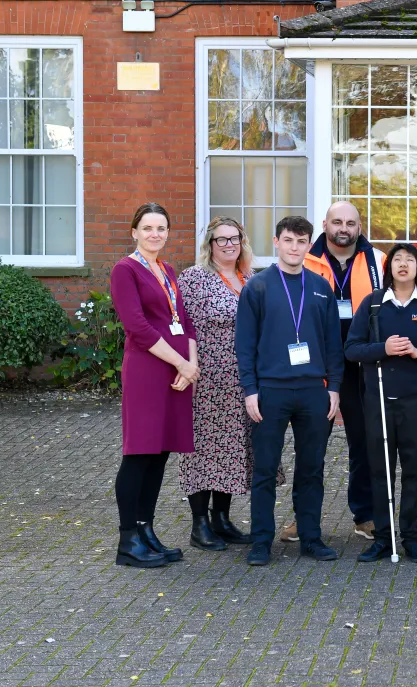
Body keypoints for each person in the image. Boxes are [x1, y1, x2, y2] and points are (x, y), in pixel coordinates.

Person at [235, 216, 345, 567]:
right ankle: (261, 541)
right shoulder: (259, 286)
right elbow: (245, 344)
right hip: (270, 390)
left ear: (309, 244)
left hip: (314, 390)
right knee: (265, 467)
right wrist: (250, 390)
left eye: (301, 241)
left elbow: (332, 343)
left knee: (311, 467)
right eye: (288, 240)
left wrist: (335, 388)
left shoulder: (320, 286)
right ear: (276, 242)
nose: (294, 247)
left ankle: (311, 538)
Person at [345, 244, 417, 563]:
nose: (403, 265)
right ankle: (382, 538)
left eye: (410, 260)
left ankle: (411, 537)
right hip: (378, 401)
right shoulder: (374, 305)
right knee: (379, 471)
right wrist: (384, 348)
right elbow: (352, 350)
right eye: (397, 260)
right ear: (389, 267)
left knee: (414, 472)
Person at [110, 202, 199, 568]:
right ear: (134, 232)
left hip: (176, 374)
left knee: (160, 454)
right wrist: (180, 361)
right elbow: (138, 327)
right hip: (148, 371)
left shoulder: (168, 270)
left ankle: (146, 531)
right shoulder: (124, 270)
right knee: (139, 453)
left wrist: (191, 364)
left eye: (161, 228)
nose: (155, 234)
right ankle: (128, 541)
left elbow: (185, 322)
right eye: (147, 228)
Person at [301, 201, 386, 542]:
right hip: (316, 365)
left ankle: (365, 515)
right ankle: (304, 520)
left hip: (361, 364)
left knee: (364, 443)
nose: (344, 229)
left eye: (351, 223)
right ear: (325, 223)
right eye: (337, 221)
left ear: (360, 226)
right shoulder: (304, 258)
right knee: (311, 445)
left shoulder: (379, 261)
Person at [178, 217, 262, 551]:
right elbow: (186, 328)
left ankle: (222, 519)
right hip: (207, 378)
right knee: (202, 450)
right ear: (209, 245)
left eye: (234, 239)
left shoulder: (252, 279)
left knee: (233, 448)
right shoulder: (195, 278)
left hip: (242, 379)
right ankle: (199, 525)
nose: (229, 245)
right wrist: (189, 369)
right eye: (221, 240)